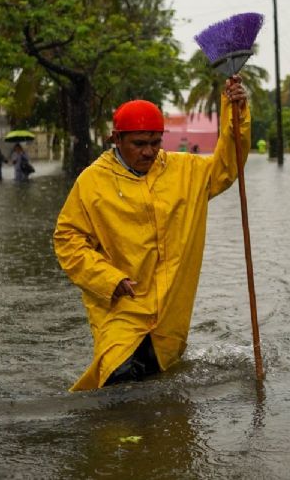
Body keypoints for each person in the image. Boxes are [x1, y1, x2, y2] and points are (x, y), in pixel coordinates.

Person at [53, 76, 250, 391]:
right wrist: (108, 279)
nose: (149, 152)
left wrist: (235, 110)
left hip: (171, 311)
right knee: (115, 380)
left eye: (155, 142)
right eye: (139, 143)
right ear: (116, 139)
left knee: (156, 386)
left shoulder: (186, 171)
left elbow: (228, 166)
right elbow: (68, 240)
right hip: (120, 306)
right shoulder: (92, 182)